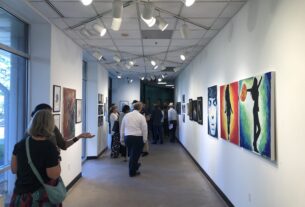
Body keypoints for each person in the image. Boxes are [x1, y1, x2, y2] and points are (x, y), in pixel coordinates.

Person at [10, 110, 62, 206]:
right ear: (50, 125)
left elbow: (14, 169)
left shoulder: (20, 145)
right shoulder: (49, 147)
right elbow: (53, 175)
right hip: (40, 198)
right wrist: (58, 161)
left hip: (20, 197)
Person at [25, 103, 94, 150]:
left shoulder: (53, 128)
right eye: (48, 115)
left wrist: (79, 136)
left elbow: (63, 145)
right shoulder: (28, 134)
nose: (51, 117)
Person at [120, 102, 148, 177]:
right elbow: (144, 129)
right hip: (137, 138)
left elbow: (122, 128)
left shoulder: (126, 116)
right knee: (134, 156)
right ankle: (132, 172)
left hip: (128, 137)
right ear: (140, 108)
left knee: (132, 154)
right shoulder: (141, 117)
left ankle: (135, 167)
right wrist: (145, 139)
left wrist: (122, 138)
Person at [247, 76, 262, 152]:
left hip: (256, 109)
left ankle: (254, 143)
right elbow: (248, 90)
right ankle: (254, 144)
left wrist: (260, 80)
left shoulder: (255, 88)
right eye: (256, 82)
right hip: (255, 110)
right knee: (257, 128)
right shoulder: (254, 89)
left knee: (258, 128)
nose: (256, 83)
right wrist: (245, 90)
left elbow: (258, 85)